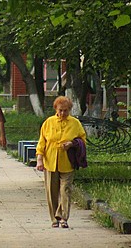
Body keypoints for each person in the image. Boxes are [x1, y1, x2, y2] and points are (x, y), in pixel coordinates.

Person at [36, 96, 86, 229]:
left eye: (66, 110)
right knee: (51, 192)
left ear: (70, 110)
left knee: (65, 190)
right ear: (55, 109)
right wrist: (39, 159)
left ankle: (63, 217)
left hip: (67, 161)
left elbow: (82, 140)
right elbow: (42, 142)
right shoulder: (49, 122)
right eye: (60, 110)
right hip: (50, 160)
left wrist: (72, 143)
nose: (63, 113)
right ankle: (54, 218)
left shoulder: (75, 123)